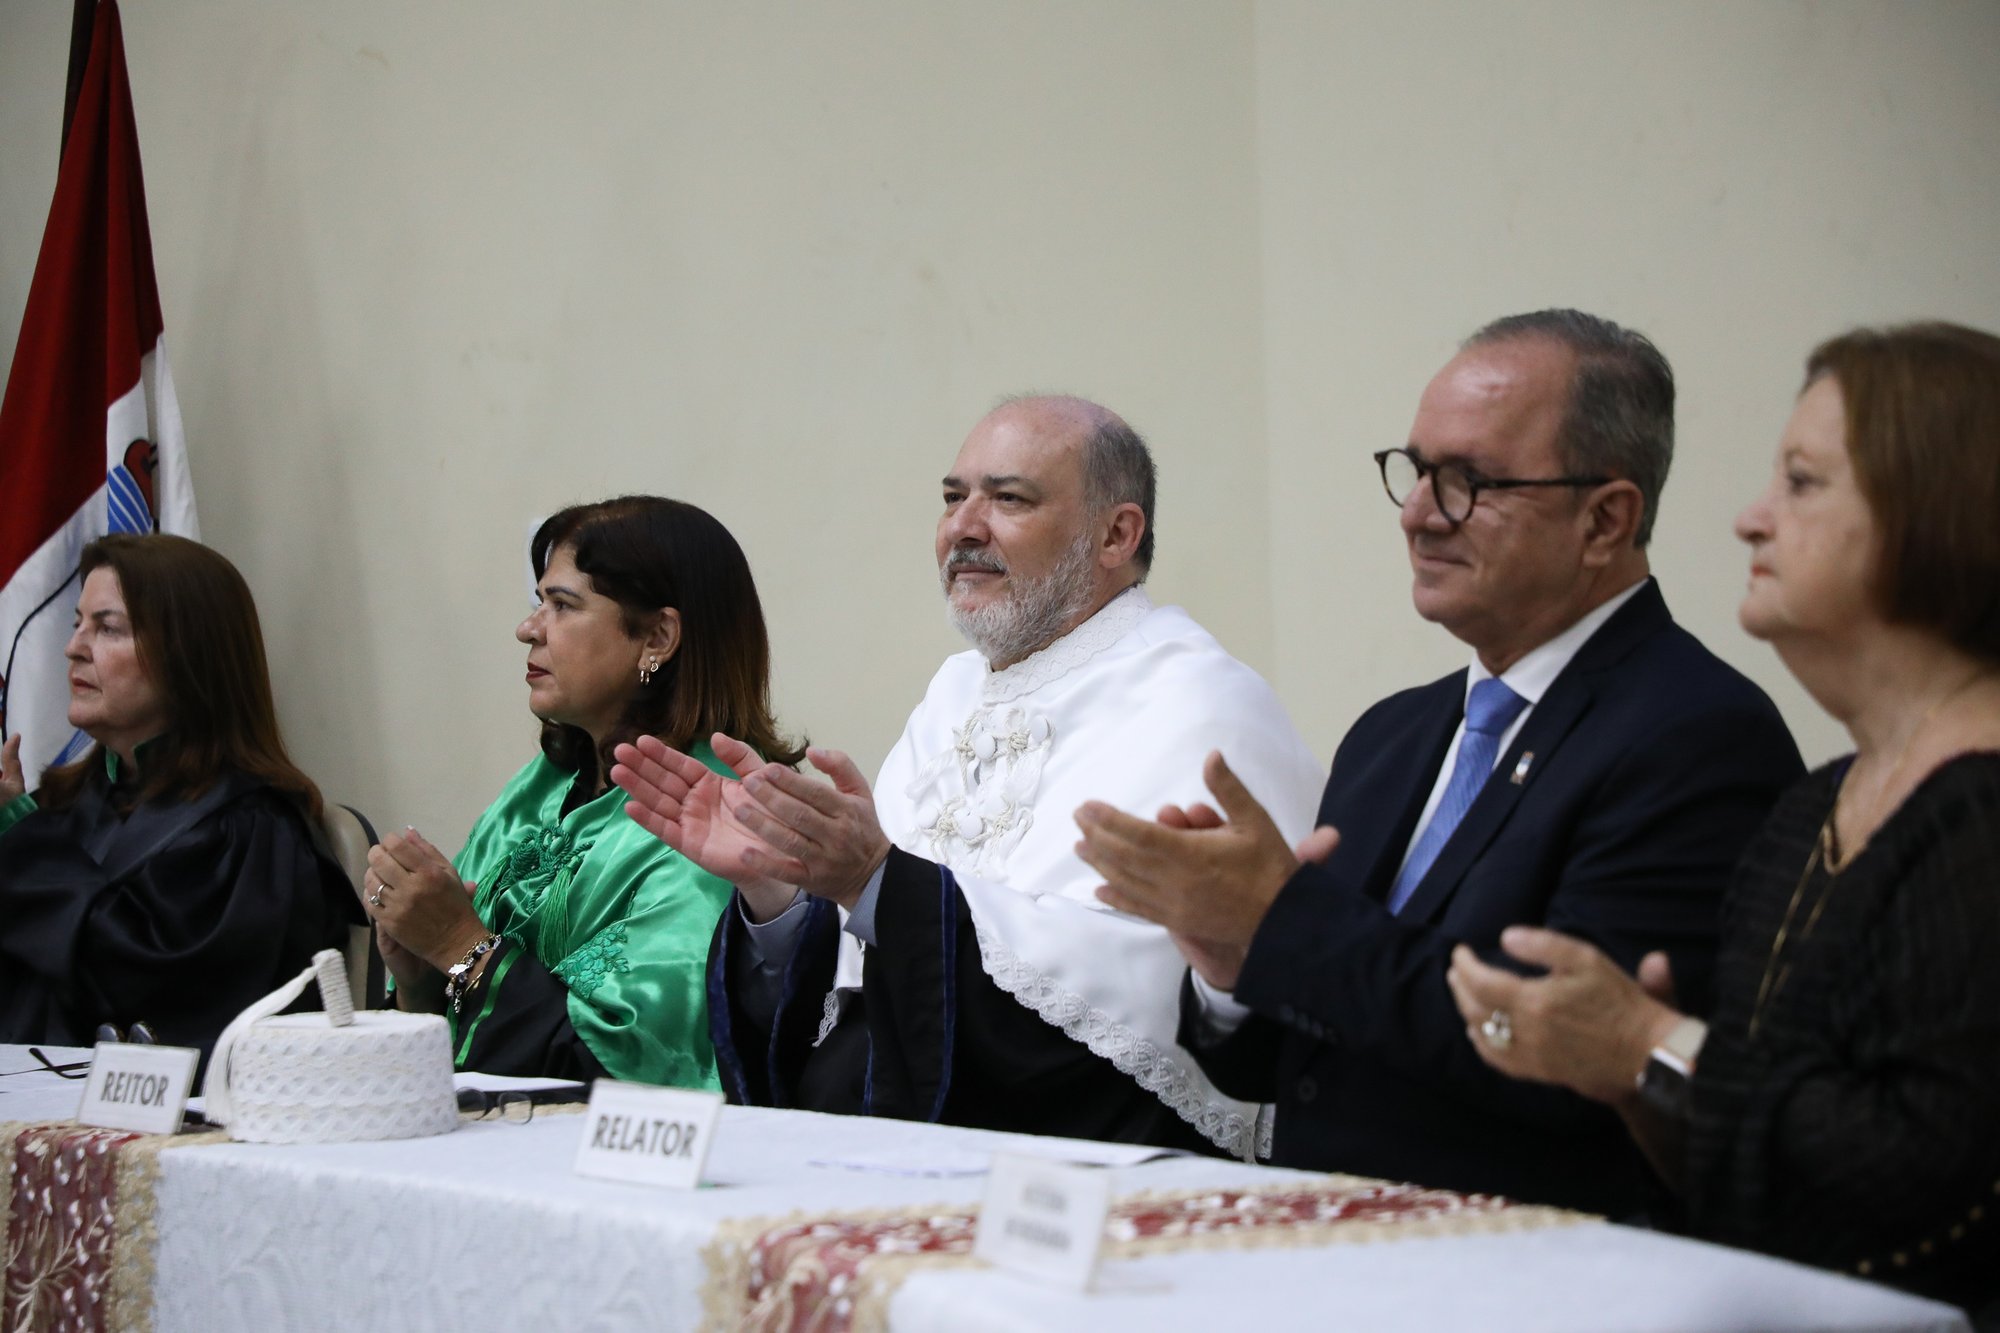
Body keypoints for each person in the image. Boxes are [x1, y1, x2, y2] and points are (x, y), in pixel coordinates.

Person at [1075, 310, 1803, 1213]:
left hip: (1533, 1260)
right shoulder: (1392, 736)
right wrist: (1230, 961)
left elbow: (1566, 1068)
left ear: (1605, 519)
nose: (1418, 513)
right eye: (1416, 471)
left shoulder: (1696, 733)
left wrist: (1282, 920)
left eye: (1468, 482)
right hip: (1322, 1242)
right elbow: (1300, 1068)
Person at [1446, 322, 2000, 1313]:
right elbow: (1753, 1175)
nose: (1750, 519)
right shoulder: (1811, 809)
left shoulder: (1983, 815)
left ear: (1940, 511)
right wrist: (1630, 1080)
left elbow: (1938, 1182)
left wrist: (1650, 1042)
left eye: (1801, 482)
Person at [614, 396, 1323, 1155]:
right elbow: (867, 964)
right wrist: (776, 891)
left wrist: (876, 879)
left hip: (1068, 1172)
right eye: (954, 498)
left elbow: (1162, 1002)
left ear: (1117, 534)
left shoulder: (1199, 704)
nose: (964, 527)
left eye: (1008, 499)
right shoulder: (955, 692)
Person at [366, 495, 801, 1088]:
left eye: (563, 605)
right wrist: (419, 978)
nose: (528, 629)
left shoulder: (719, 810)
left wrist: (456, 944)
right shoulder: (547, 783)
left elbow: (633, 1065)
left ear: (657, 637)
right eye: (537, 603)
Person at [0, 533, 358, 1053]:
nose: (73, 647)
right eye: (79, 624)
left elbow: (141, 990)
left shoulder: (248, 829)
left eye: (108, 628)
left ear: (186, 655)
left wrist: (20, 847)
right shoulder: (65, 804)